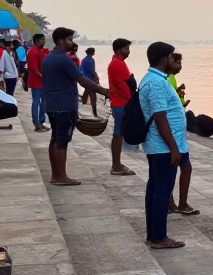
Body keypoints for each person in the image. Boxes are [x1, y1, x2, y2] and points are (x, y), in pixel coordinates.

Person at [41, 28, 109, 186]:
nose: (72, 42)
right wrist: (104, 91)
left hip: (52, 103)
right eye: (70, 39)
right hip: (63, 105)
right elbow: (82, 80)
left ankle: (55, 175)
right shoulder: (64, 59)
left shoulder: (48, 58)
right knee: (62, 141)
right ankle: (61, 176)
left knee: (55, 139)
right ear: (60, 41)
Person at [139, 42, 189, 248]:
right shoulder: (156, 83)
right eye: (171, 56)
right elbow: (160, 117)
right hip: (163, 147)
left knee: (156, 189)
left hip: (161, 146)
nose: (173, 59)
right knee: (161, 191)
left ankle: (154, 234)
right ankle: (159, 237)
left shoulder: (156, 79)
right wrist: (174, 148)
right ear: (163, 59)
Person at [164, 52, 197, 216]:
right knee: (182, 168)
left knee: (180, 169)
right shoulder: (167, 79)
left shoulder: (170, 79)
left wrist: (179, 95)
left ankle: (175, 203)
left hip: (177, 135)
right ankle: (177, 203)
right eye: (178, 62)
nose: (180, 66)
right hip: (173, 135)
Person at [107, 38, 138, 175]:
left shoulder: (119, 63)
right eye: (126, 48)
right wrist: (131, 100)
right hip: (121, 103)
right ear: (119, 50)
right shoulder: (117, 64)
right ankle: (116, 165)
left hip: (121, 102)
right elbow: (122, 85)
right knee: (118, 133)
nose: (129, 51)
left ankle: (117, 163)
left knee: (119, 133)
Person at [27, 33, 49, 131]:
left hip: (43, 81)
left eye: (44, 40)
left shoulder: (40, 51)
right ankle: (36, 123)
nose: (43, 41)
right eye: (41, 40)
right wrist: (42, 76)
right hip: (36, 81)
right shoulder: (32, 52)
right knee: (36, 102)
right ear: (36, 41)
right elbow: (32, 68)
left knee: (44, 102)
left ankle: (41, 121)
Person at [79, 47, 99, 115]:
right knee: (93, 95)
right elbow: (92, 71)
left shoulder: (83, 60)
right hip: (90, 79)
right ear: (93, 53)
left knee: (87, 91)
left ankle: (83, 103)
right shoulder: (91, 60)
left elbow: (80, 69)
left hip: (84, 79)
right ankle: (95, 112)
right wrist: (96, 78)